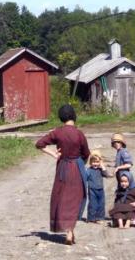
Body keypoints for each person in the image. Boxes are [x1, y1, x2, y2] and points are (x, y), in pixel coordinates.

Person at [35, 104, 90, 245]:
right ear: (74, 116)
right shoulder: (79, 134)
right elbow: (86, 154)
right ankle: (70, 231)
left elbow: (39, 144)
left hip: (63, 168)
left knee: (63, 199)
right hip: (77, 168)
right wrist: (81, 163)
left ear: (61, 117)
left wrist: (54, 154)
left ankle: (68, 231)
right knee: (75, 199)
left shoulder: (57, 132)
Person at [86, 150, 112, 223]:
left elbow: (106, 175)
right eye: (93, 162)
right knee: (93, 204)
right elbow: (85, 177)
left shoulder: (100, 170)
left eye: (97, 162)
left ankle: (99, 218)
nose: (95, 164)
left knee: (101, 204)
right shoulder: (89, 170)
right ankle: (91, 218)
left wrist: (102, 166)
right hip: (92, 190)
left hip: (100, 189)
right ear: (90, 162)